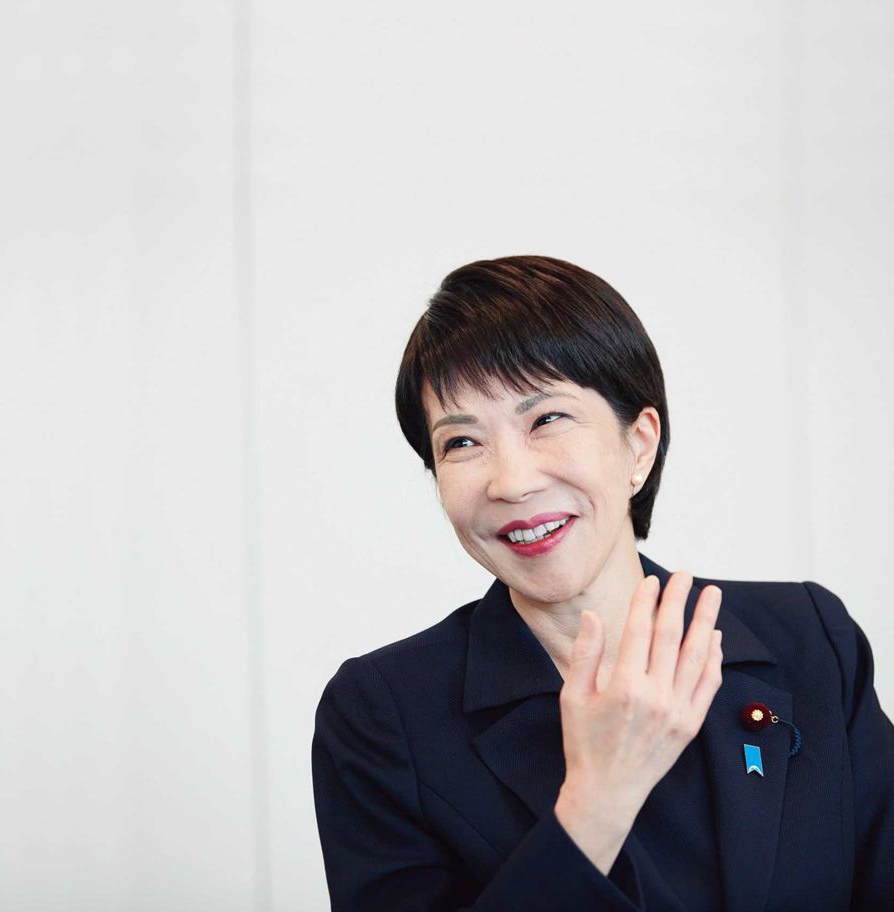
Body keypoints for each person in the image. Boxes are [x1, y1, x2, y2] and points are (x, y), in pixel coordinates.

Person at [310, 255, 894, 911]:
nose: (512, 482)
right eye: (462, 443)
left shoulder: (809, 638)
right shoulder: (381, 715)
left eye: (546, 419)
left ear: (638, 445)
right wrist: (598, 799)